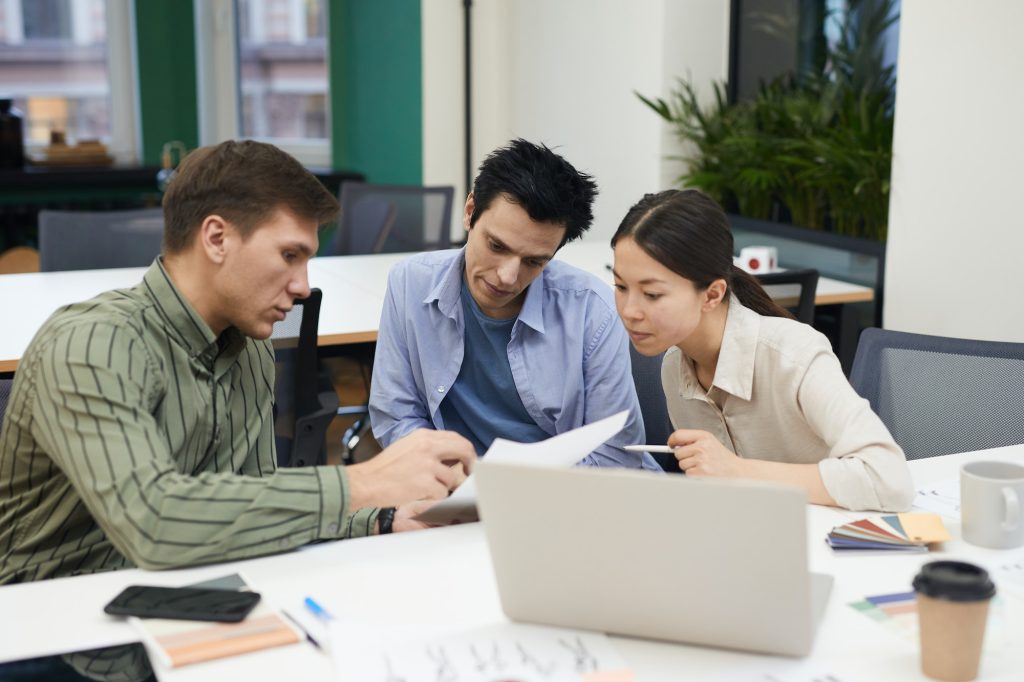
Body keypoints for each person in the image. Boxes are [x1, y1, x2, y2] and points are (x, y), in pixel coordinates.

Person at [0, 140, 476, 587]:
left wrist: (385, 519)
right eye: (289, 255)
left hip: (177, 592)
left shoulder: (249, 345)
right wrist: (365, 482)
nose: (303, 286)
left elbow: (252, 498)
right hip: (52, 624)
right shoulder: (92, 345)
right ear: (216, 238)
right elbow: (155, 523)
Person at [610, 189, 914, 511]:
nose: (629, 310)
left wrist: (737, 471)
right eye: (620, 287)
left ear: (712, 294)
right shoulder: (675, 368)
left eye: (652, 294)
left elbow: (889, 479)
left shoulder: (795, 355)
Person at [369, 139, 657, 470]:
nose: (507, 276)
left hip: (563, 495)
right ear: (469, 212)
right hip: (451, 486)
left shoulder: (595, 312)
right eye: (496, 246)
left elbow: (613, 455)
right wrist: (446, 480)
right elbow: (396, 415)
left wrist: (507, 495)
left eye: (534, 261)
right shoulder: (409, 283)